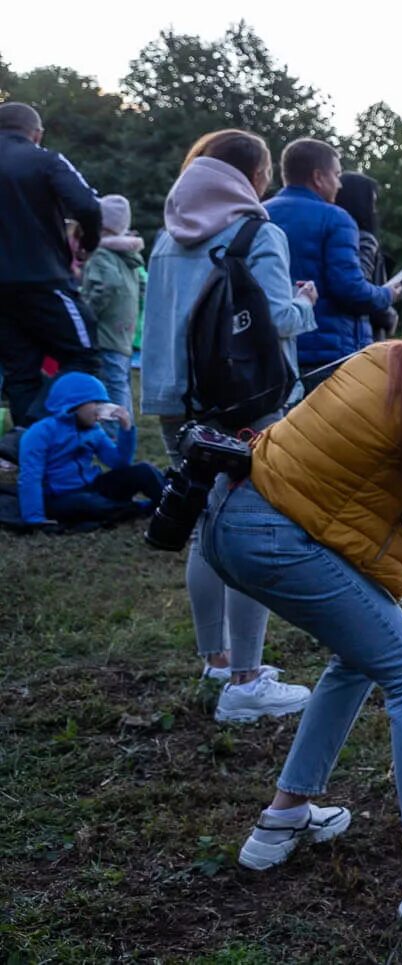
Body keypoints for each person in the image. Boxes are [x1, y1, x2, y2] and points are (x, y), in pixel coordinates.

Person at [206, 281, 402, 922]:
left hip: (236, 516)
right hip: (278, 538)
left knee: (359, 659)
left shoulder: (382, 360)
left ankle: (285, 817)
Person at [142, 130, 316, 723]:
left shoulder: (167, 237)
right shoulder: (256, 232)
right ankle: (246, 682)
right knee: (250, 529)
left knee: (204, 528)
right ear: (252, 176)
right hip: (247, 402)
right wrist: (306, 302)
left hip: (174, 401)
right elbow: (275, 319)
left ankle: (215, 662)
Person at [0, 102, 104, 426]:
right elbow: (87, 206)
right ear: (37, 133)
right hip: (42, 278)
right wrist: (86, 245)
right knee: (84, 354)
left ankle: (26, 444)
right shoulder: (45, 160)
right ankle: (35, 428)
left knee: (20, 368)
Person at [267, 139, 395, 392]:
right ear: (318, 177)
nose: (339, 184)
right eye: (336, 175)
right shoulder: (335, 218)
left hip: (273, 354)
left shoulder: (259, 214)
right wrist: (387, 293)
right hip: (330, 357)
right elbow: (349, 289)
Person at [15, 372, 163, 531]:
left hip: (92, 486)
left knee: (143, 471)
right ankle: (139, 509)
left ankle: (173, 503)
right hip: (59, 497)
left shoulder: (94, 430)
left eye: (103, 403)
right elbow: (31, 477)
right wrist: (34, 519)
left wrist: (126, 430)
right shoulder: (40, 433)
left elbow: (119, 463)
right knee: (87, 504)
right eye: (96, 403)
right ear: (74, 404)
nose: (101, 409)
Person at [80, 195, 146, 417]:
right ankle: (127, 434)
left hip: (104, 332)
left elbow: (108, 284)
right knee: (121, 381)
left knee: (110, 385)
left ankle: (114, 433)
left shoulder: (101, 253)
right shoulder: (130, 255)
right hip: (123, 331)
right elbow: (144, 286)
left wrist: (87, 312)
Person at [335, 171, 402, 340]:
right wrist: (388, 309)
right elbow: (360, 289)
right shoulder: (365, 240)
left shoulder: (331, 236)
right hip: (361, 336)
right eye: (371, 203)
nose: (374, 210)